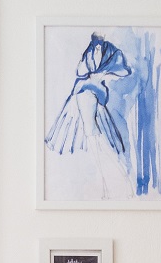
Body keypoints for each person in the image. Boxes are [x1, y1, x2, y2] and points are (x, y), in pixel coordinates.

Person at [45, 33, 133, 199]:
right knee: (94, 141)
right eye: (95, 40)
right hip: (84, 93)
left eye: (99, 40)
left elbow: (123, 70)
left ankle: (118, 186)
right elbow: (80, 71)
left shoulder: (111, 51)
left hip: (94, 92)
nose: (97, 42)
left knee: (96, 140)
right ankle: (110, 189)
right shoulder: (90, 51)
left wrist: (105, 75)